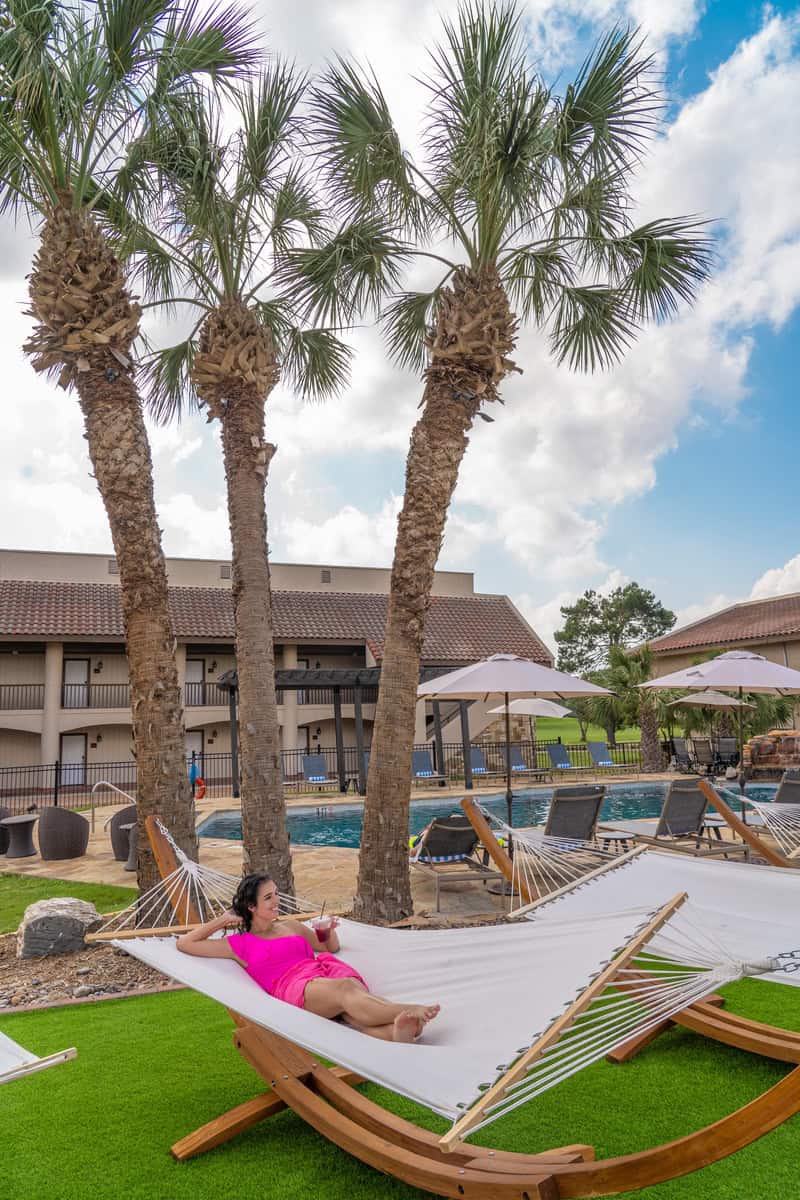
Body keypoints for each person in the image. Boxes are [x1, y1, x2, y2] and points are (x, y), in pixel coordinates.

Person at [177, 873, 440, 1043]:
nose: (276, 900)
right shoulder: (239, 944)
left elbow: (327, 948)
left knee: (351, 1004)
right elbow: (185, 943)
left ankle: (397, 1031)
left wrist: (328, 932)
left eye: (276, 893)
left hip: (323, 972)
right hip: (295, 987)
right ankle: (407, 1009)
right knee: (346, 990)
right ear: (251, 907)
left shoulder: (291, 925)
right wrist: (222, 920)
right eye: (268, 897)